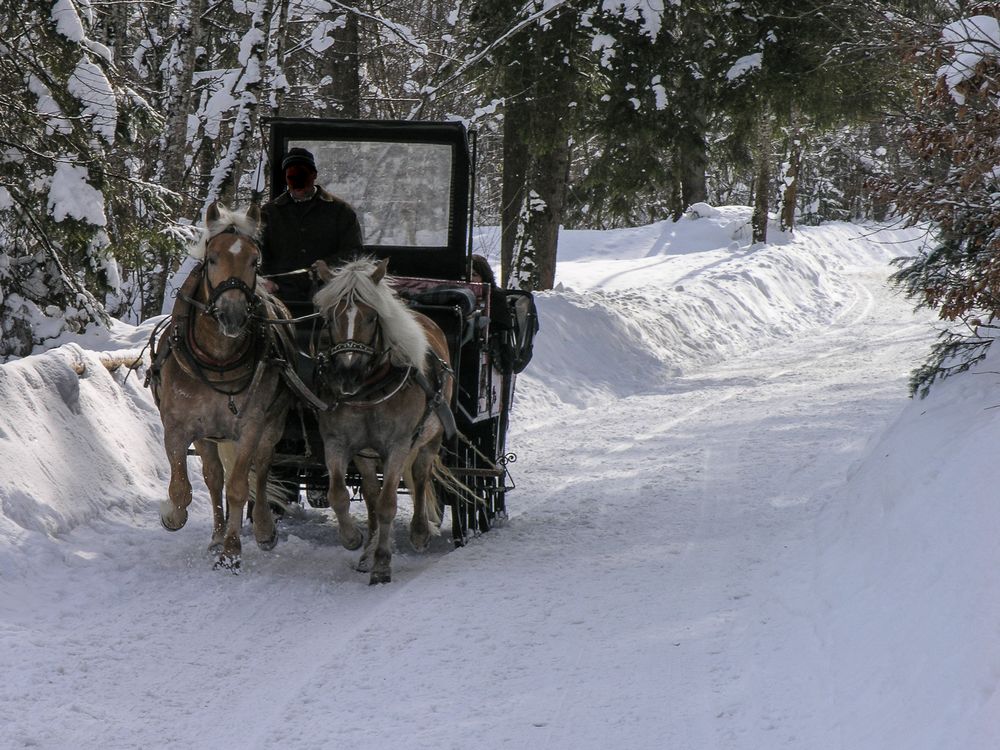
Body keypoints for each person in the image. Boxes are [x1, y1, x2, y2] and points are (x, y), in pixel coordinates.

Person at [260, 147, 364, 306]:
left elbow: (354, 251)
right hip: (279, 298)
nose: (298, 184)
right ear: (286, 179)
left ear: (314, 175)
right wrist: (265, 279)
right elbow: (257, 252)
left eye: (303, 177)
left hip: (331, 298)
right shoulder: (268, 213)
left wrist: (329, 265)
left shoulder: (341, 211)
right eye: (292, 178)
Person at [471, 254, 515, 373]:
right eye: (467, 274)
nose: (470, 279)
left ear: (484, 276)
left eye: (474, 275)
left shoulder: (495, 297)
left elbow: (501, 326)